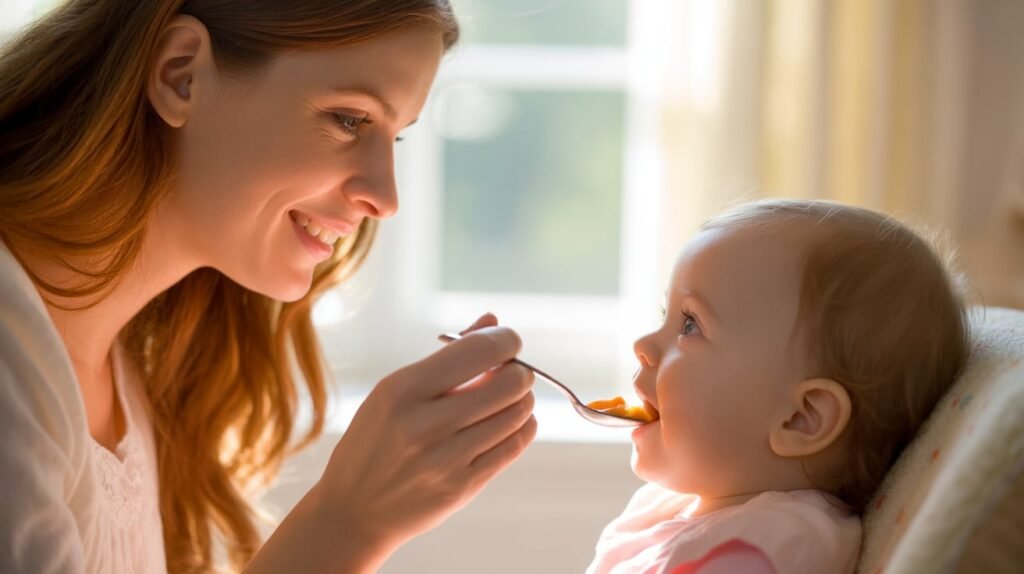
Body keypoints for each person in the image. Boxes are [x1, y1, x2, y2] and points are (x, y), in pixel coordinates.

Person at [0, 2, 538, 573]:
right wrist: (347, 522)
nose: (385, 197)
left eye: (395, 138)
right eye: (350, 120)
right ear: (179, 75)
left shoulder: (131, 369)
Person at [586, 199, 971, 574]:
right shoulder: (676, 506)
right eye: (665, 316)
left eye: (690, 325)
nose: (643, 345)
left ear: (801, 418)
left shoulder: (770, 547)